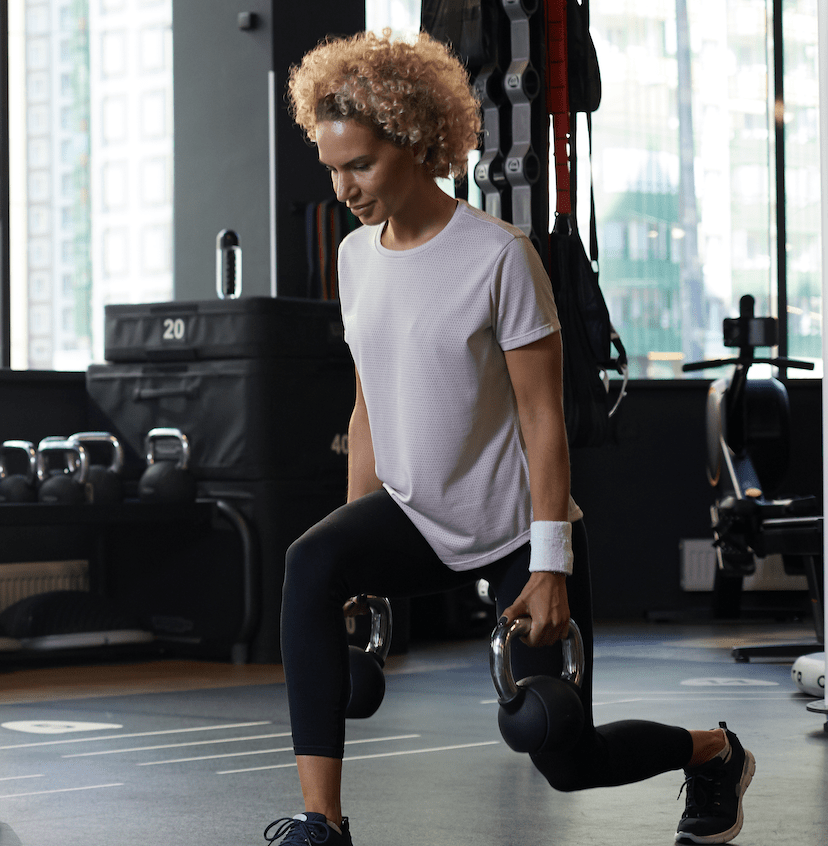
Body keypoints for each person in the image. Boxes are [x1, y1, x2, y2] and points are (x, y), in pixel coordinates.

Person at [268, 29, 755, 846]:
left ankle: (713, 753)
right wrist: (354, 558)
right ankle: (323, 823)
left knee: (566, 756)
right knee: (311, 561)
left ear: (417, 142)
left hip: (512, 530)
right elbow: (367, 412)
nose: (344, 188)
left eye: (361, 165)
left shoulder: (500, 255)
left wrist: (549, 563)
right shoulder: (355, 258)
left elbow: (543, 418)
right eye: (331, 169)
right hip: (415, 515)